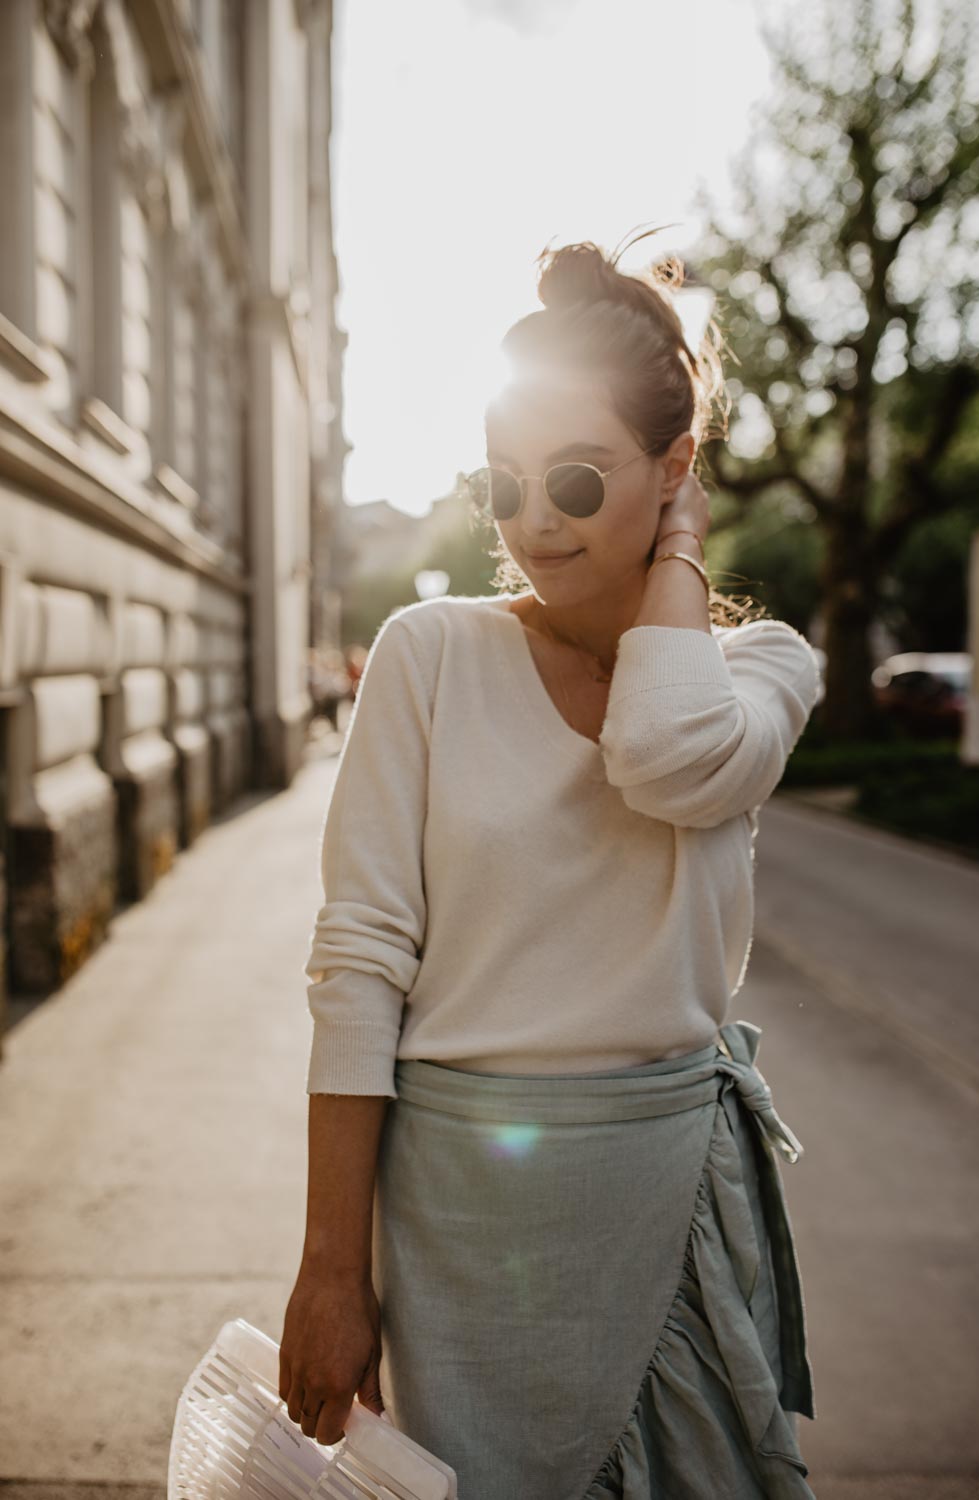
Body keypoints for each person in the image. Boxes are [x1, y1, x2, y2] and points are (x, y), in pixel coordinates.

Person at [279, 231, 821, 1499]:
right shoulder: (425, 655)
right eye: (503, 484)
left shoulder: (761, 670)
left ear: (675, 468)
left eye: (576, 483)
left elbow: (664, 754)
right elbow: (359, 963)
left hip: (664, 1205)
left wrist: (679, 556)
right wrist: (330, 1265)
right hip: (458, 1219)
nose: (533, 523)